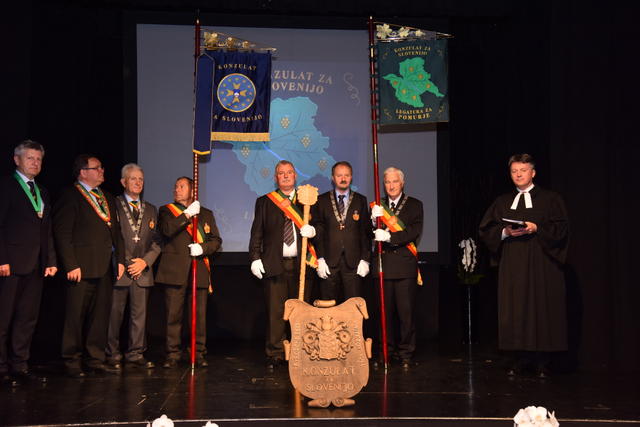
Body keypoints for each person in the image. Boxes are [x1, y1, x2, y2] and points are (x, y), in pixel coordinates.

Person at [479, 153, 569, 378]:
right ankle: (518, 359)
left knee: (542, 307)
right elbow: (486, 229)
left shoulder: (550, 199)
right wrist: (504, 231)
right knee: (515, 308)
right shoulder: (502, 201)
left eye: (523, 170)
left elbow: (562, 230)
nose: (518, 175)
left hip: (542, 263)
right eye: (514, 171)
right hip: (513, 263)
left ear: (533, 172)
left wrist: (536, 228)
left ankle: (544, 361)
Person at [53, 154, 125, 378]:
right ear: (83, 172)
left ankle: (95, 359)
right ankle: (71, 360)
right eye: (97, 168)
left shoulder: (107, 197)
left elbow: (117, 233)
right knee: (75, 317)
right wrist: (70, 264)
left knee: (100, 316)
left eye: (101, 167)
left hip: (104, 266)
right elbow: (62, 233)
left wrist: (121, 260)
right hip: (80, 268)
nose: (102, 171)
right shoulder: (70, 196)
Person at [248, 160, 317, 370]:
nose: (285, 176)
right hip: (274, 263)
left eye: (289, 172)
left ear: (295, 176)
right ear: (275, 178)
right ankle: (276, 352)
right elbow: (257, 232)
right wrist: (254, 258)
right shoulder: (265, 202)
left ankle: (300, 350)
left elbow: (321, 229)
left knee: (301, 311)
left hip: (302, 265)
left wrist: (314, 231)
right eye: (281, 173)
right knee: (276, 312)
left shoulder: (307, 200)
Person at [0, 140, 57, 387]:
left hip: (35, 265)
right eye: (30, 158)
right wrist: (2, 259)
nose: (35, 163)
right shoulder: (6, 186)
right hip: (10, 265)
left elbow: (46, 229)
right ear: (17, 160)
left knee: (27, 319)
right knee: (4, 318)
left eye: (38, 159)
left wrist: (50, 259)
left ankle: (20, 366)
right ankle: (1, 367)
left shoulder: (42, 191)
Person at [156, 177, 221, 368]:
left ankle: (198, 352)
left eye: (181, 186)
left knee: (198, 317)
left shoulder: (206, 214)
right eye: (175, 186)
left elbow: (216, 240)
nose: (176, 189)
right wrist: (186, 215)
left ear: (193, 191)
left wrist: (202, 248)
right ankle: (172, 353)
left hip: (198, 269)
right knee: (173, 316)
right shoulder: (166, 210)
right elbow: (167, 230)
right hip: (174, 270)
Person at [105, 164, 161, 370]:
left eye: (141, 179)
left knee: (139, 316)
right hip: (120, 268)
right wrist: (127, 262)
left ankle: (136, 353)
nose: (138, 182)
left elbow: (157, 241)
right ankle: (112, 353)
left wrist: (144, 262)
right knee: (114, 315)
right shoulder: (113, 205)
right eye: (133, 179)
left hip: (143, 269)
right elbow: (109, 237)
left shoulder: (151, 209)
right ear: (123, 182)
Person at [371, 166, 424, 369]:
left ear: (402, 183)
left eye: (395, 181)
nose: (391, 186)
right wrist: (371, 221)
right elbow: (368, 234)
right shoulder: (378, 207)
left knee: (405, 314)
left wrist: (390, 237)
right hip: (383, 265)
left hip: (404, 266)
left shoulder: (414, 205)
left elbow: (413, 232)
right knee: (383, 315)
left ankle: (406, 353)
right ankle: (385, 351)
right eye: (387, 182)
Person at [311, 161, 370, 302]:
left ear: (351, 177)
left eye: (347, 175)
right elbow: (319, 232)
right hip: (328, 262)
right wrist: (320, 258)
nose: (343, 179)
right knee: (328, 305)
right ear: (333, 178)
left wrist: (365, 259)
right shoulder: (321, 200)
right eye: (339, 175)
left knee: (353, 305)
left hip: (354, 263)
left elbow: (365, 232)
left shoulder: (360, 200)